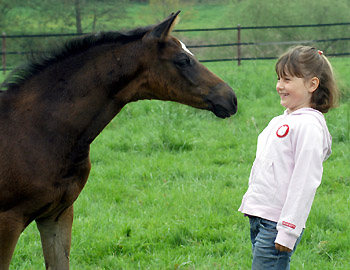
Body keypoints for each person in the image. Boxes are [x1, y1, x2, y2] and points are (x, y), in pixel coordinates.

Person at [238, 45, 339, 270]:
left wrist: (288, 230)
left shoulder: (309, 126)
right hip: (261, 219)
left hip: (278, 224)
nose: (279, 86)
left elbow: (304, 181)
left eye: (287, 80)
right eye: (278, 78)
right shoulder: (282, 120)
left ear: (312, 84)